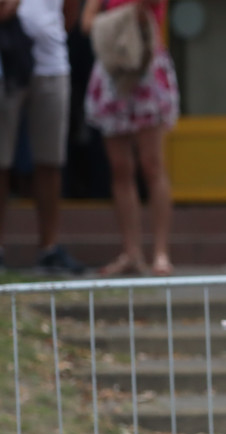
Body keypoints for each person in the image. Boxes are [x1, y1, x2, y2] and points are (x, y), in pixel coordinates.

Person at [81, 0, 177, 276]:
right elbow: (87, 23)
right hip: (114, 68)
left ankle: (161, 253)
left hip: (146, 66)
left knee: (152, 165)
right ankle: (131, 253)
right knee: (120, 168)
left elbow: (150, 10)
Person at [0, 0, 83, 274]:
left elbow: (70, 11)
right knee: (1, 162)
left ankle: (49, 249)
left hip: (52, 64)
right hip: (5, 63)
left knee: (50, 160)